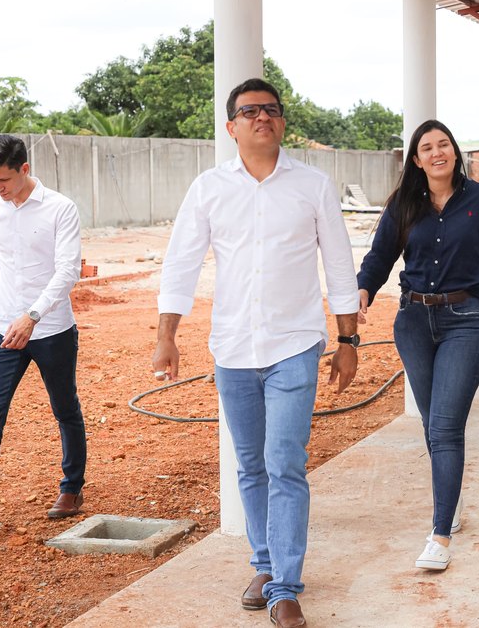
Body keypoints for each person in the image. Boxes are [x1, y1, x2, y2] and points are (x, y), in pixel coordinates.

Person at [153, 78, 360, 628]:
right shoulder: (209, 188)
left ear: (282, 122)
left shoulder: (313, 186)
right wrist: (166, 333)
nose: (261, 118)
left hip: (295, 345)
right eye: (249, 112)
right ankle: (265, 565)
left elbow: (339, 266)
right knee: (250, 465)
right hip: (233, 348)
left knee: (285, 462)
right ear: (232, 127)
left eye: (270, 110)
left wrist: (348, 341)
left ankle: (285, 586)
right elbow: (181, 262)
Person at [357, 119, 479, 572]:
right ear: (416, 159)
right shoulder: (404, 203)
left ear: (454, 152)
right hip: (414, 321)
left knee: (444, 425)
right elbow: (380, 255)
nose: (437, 153)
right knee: (432, 422)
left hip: (467, 320)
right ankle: (449, 497)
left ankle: (439, 535)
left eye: (444, 145)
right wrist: (362, 291)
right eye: (427, 147)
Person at [0, 135, 86, 538]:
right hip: (1, 329)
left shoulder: (61, 209)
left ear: (25, 169)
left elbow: (68, 272)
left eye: (4, 179)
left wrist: (31, 317)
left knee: (65, 408)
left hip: (51, 329)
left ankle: (72, 488)